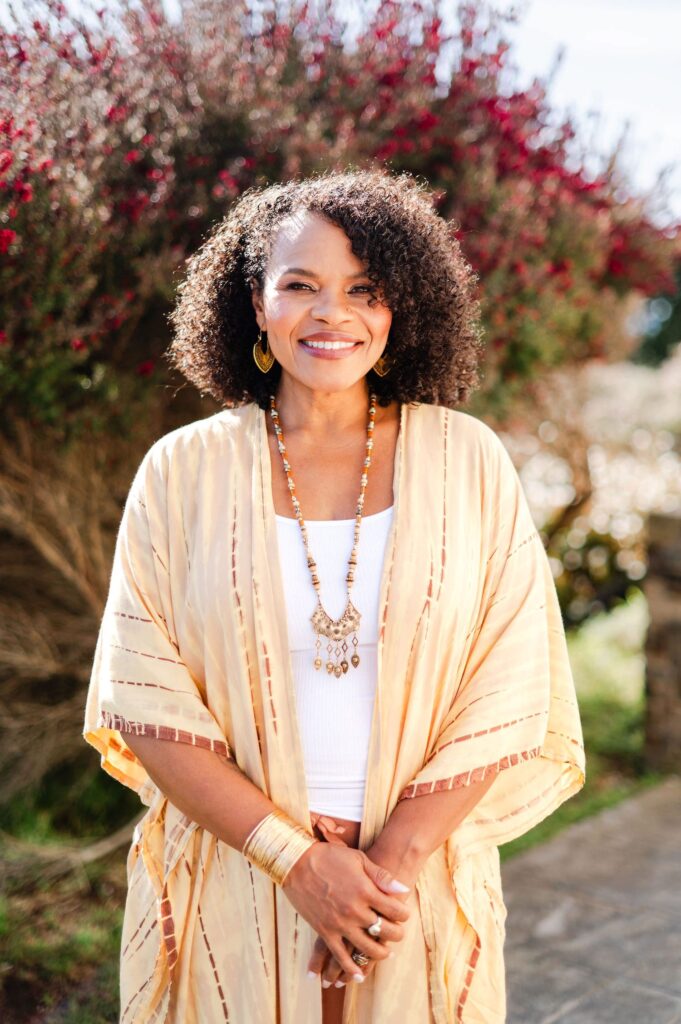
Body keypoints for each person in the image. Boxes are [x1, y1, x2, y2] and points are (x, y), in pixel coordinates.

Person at [83, 168, 585, 1024]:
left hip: (411, 891)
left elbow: (510, 681)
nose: (332, 314)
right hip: (231, 873)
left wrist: (384, 867)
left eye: (364, 290)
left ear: (398, 311)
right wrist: (297, 861)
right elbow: (142, 697)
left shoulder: (467, 461)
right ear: (255, 300)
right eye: (300, 286)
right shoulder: (180, 473)